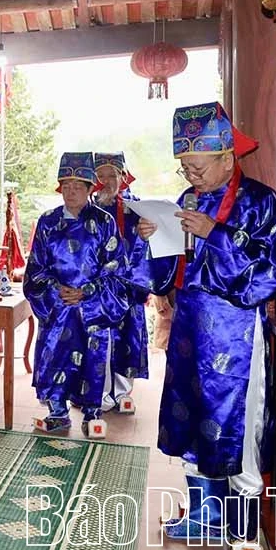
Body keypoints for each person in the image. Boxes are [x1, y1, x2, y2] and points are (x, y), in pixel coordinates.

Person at [137, 102, 276, 543]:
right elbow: (168, 273)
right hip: (189, 328)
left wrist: (213, 234)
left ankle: (242, 527)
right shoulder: (188, 200)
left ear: (227, 157)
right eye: (185, 168)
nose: (191, 177)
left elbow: (268, 274)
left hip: (235, 332)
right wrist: (155, 239)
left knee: (237, 423)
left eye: (197, 168)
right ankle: (205, 515)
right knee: (190, 417)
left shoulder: (260, 202)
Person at [24, 152, 129, 439]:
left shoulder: (104, 221)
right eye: (66, 186)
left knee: (93, 359)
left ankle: (93, 413)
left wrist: (87, 292)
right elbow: (36, 267)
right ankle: (57, 412)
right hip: (57, 306)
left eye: (78, 187)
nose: (71, 192)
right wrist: (56, 289)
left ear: (90, 188)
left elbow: (116, 267)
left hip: (91, 308)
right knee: (55, 358)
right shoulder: (48, 222)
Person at [92, 151, 149, 414]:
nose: (105, 181)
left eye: (111, 175)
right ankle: (99, 392)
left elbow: (146, 247)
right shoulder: (87, 209)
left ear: (123, 177)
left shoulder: (137, 209)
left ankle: (123, 392)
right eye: (99, 176)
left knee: (128, 338)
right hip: (97, 288)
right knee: (99, 341)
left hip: (128, 284)